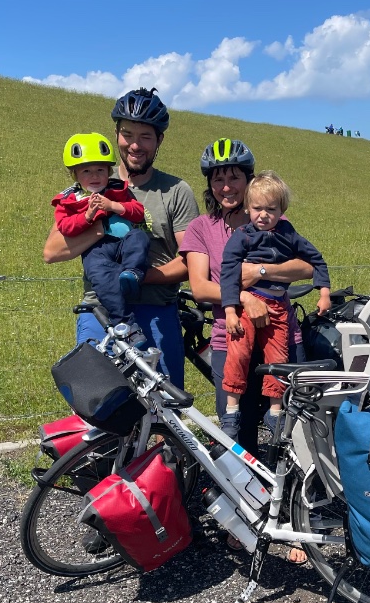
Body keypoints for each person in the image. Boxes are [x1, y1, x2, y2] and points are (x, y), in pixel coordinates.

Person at [43, 88, 198, 387]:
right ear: (116, 134)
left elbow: (190, 262)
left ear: (160, 140)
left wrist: (141, 276)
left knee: (163, 413)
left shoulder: (176, 191)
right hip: (99, 311)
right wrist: (101, 227)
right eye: (128, 134)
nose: (135, 145)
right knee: (101, 406)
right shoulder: (90, 181)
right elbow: (52, 251)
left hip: (156, 310)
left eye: (146, 137)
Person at [179, 140, 313, 454]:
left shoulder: (276, 224)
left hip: (281, 337)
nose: (226, 187)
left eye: (234, 178)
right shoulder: (201, 228)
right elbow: (199, 287)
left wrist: (260, 272)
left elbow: (306, 268)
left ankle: (290, 498)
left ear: (249, 181)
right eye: (218, 179)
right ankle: (247, 500)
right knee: (238, 433)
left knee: (293, 430)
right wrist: (246, 297)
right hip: (232, 337)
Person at [218, 171, 331, 439]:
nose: (263, 215)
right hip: (247, 306)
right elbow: (228, 273)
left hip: (278, 307)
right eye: (257, 208)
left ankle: (275, 411)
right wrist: (231, 311)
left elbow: (316, 259)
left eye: (271, 209)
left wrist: (324, 292)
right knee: (239, 353)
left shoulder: (288, 234)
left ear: (282, 210)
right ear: (247, 207)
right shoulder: (241, 236)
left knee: (277, 358)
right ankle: (231, 410)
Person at [52, 133, 149, 329]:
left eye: (100, 170)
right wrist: (87, 216)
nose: (94, 176)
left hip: (123, 245)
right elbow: (65, 227)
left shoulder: (118, 190)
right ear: (75, 175)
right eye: (86, 171)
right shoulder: (70, 200)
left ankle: (132, 274)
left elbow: (138, 212)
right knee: (101, 277)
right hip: (96, 251)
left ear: (109, 171)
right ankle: (125, 324)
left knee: (139, 237)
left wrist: (113, 205)